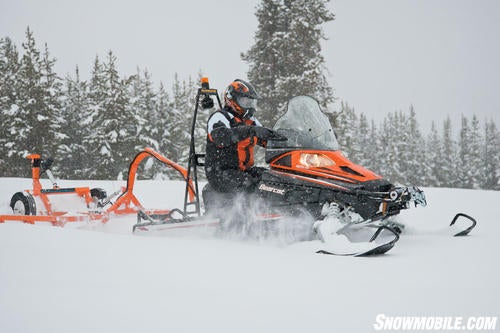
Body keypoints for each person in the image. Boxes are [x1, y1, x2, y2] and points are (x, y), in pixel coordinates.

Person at [204, 79, 279, 194]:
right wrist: (251, 131)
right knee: (252, 184)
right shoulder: (220, 117)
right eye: (245, 102)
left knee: (273, 178)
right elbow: (222, 138)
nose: (249, 106)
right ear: (231, 100)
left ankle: (280, 209)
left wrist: (288, 139)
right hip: (221, 173)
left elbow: (266, 137)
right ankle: (252, 211)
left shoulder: (249, 121)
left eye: (251, 102)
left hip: (244, 171)